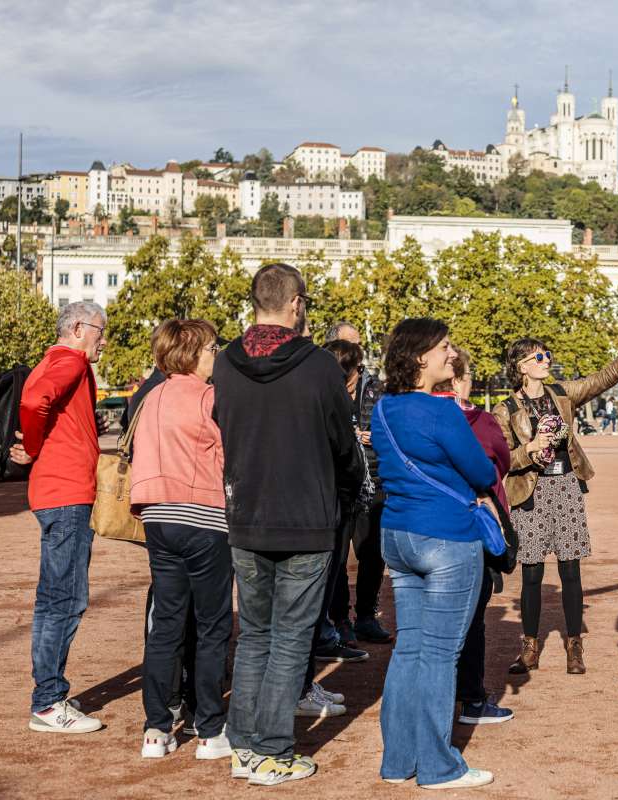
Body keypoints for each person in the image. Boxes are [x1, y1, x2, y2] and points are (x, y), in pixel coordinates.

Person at [213, 263, 365, 786]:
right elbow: (344, 444)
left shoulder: (225, 363)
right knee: (290, 639)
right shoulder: (319, 365)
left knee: (255, 635)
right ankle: (272, 751)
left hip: (246, 513)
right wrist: (349, 483)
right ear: (296, 303)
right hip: (306, 517)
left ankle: (243, 746)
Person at [371, 318, 499, 789]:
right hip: (446, 535)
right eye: (444, 347)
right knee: (441, 654)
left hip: (398, 534)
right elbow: (482, 472)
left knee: (409, 648)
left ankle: (398, 759)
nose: (452, 353)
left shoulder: (383, 409)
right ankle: (438, 766)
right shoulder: (443, 411)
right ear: (421, 356)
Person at [494, 330, 618, 675]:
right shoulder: (505, 409)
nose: (546, 360)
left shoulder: (562, 393)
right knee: (532, 572)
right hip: (530, 492)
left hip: (566, 485)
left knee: (570, 570)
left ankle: (574, 645)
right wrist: (530, 449)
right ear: (521, 366)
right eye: (538, 357)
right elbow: (503, 458)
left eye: (547, 355)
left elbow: (602, 379)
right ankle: (529, 646)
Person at [129, 319, 232, 760]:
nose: (215, 355)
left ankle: (156, 727)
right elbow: (230, 453)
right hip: (203, 515)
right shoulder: (208, 397)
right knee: (212, 625)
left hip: (157, 515)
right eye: (210, 349)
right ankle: (209, 727)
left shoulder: (150, 396)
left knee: (167, 623)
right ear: (192, 353)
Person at [9, 301, 109, 734]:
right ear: (79, 329)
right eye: (100, 332)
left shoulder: (52, 360)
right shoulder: (70, 360)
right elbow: (35, 401)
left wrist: (39, 444)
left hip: (56, 492)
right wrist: (33, 446)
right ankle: (48, 701)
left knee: (57, 597)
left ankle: (49, 695)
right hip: (67, 494)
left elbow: (39, 404)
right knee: (64, 600)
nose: (104, 341)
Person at [432, 346, 515, 726]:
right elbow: (498, 465)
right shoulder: (479, 420)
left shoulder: (411, 413)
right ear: (462, 380)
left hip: (424, 526)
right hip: (472, 526)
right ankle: (471, 698)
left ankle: (436, 700)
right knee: (472, 617)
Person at [294, 339, 373, 722]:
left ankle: (304, 684)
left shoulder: (312, 392)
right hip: (328, 506)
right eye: (357, 371)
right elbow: (344, 455)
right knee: (310, 602)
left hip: (323, 504)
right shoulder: (329, 397)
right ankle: (300, 689)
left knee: (311, 602)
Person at [323, 321, 392, 645]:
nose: (357, 352)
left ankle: (366, 616)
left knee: (373, 553)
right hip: (337, 481)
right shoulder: (324, 384)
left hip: (373, 479)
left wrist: (375, 438)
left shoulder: (377, 387)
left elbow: (390, 429)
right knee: (336, 556)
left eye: (359, 344)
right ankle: (339, 620)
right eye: (350, 345)